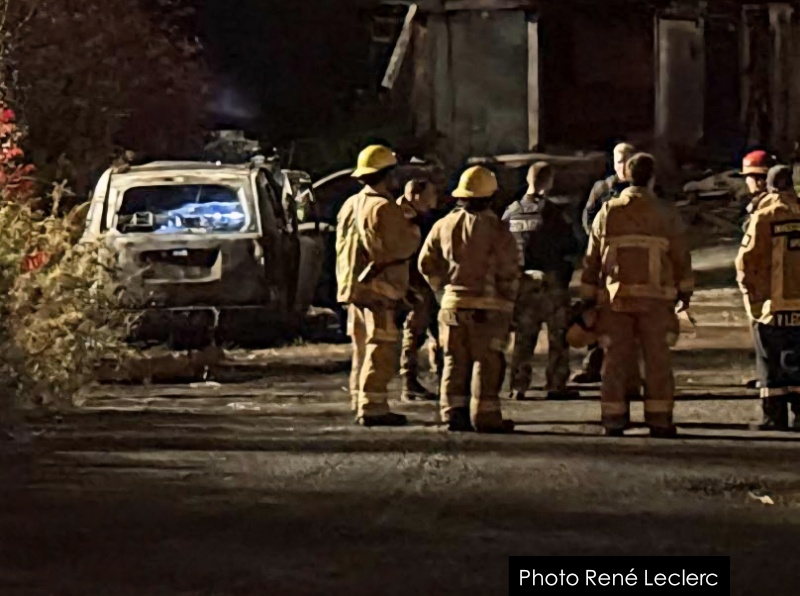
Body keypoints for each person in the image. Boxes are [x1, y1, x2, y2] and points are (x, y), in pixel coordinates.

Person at [581, 153, 694, 438]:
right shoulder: (666, 213)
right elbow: (681, 256)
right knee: (657, 360)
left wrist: (587, 299)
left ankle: (613, 420)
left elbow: (591, 260)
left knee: (615, 360)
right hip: (656, 301)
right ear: (653, 177)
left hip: (615, 300)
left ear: (625, 176)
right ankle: (659, 420)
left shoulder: (608, 212)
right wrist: (685, 292)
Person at [418, 166, 519, 433]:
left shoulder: (443, 225)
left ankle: (453, 414)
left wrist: (442, 290)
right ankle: (485, 417)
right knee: (487, 362)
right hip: (488, 309)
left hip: (452, 308)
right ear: (490, 196)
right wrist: (510, 302)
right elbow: (509, 270)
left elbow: (425, 263)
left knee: (453, 360)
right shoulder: (498, 229)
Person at [336, 145, 421, 427]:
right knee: (380, 346)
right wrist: (412, 227)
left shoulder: (351, 204)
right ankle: (373, 407)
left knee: (362, 346)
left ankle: (360, 399)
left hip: (354, 288)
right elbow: (397, 247)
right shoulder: (383, 208)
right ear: (388, 174)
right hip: (377, 290)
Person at [503, 162, 582, 400]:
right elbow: (571, 245)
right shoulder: (552, 212)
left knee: (524, 337)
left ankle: (518, 385)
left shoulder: (511, 212)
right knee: (558, 337)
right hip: (551, 283)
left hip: (522, 284)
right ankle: (555, 384)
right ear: (548, 181)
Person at [736, 165, 800, 429]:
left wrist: (751, 298)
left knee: (770, 362)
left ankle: (774, 417)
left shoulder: (764, 217)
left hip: (771, 307)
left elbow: (745, 261)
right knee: (798, 360)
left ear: (770, 187)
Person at [574, 143, 641, 391]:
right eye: (618, 160)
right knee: (598, 311)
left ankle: (631, 372)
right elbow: (587, 218)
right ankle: (592, 365)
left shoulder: (642, 190)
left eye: (626, 160)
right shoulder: (602, 189)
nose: (622, 165)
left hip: (632, 266)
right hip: (605, 263)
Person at [397, 178, 441, 401]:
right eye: (429, 195)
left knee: (435, 331)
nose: (433, 200)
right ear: (415, 195)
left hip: (424, 283)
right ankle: (409, 380)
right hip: (414, 284)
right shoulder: (403, 216)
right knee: (414, 332)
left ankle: (441, 378)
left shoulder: (421, 217)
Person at [736, 150, 775, 227]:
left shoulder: (767, 204)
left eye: (747, 177)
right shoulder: (752, 201)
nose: (746, 181)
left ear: (759, 181)